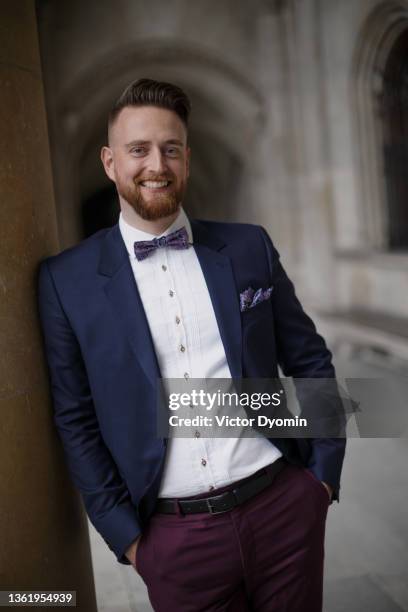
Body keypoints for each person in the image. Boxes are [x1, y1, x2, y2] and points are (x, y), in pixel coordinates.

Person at [38, 78, 346, 611]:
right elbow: (75, 417)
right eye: (138, 149)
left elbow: (310, 358)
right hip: (174, 543)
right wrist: (130, 539)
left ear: (187, 159)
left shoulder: (249, 245)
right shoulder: (66, 281)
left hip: (282, 507)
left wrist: (322, 477)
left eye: (170, 148)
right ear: (110, 162)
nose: (155, 164)